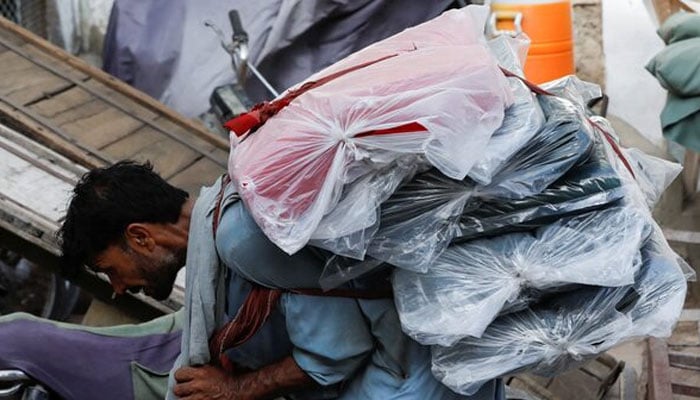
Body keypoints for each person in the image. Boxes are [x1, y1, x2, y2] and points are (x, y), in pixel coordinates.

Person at [56, 160, 504, 399]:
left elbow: (336, 352)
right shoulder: (222, 226)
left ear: (141, 237)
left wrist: (234, 390)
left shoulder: (238, 237)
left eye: (111, 269)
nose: (117, 288)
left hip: (405, 387)